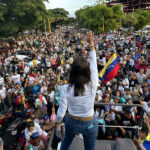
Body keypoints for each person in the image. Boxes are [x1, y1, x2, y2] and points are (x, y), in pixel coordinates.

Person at [56, 31, 99, 150]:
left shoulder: (65, 88)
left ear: (72, 72)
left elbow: (61, 110)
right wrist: (91, 44)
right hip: (89, 122)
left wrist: (57, 122)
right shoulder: (93, 84)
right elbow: (94, 63)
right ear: (87, 71)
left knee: (65, 144)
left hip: (72, 121)